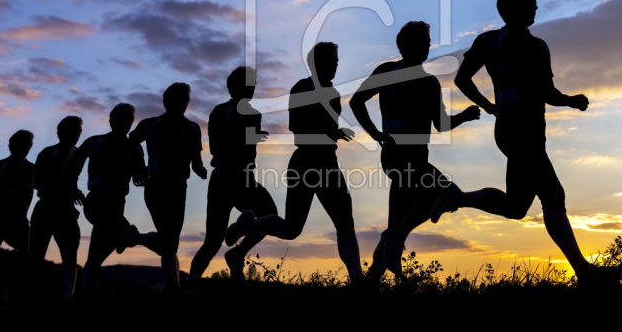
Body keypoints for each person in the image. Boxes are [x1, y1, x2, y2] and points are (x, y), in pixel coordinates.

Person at [438, 0, 615, 285]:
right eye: (527, 1)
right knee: (553, 195)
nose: (534, 6)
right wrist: (490, 106)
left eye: (534, 1)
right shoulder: (491, 41)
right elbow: (462, 79)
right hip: (514, 131)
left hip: (534, 131)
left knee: (516, 207)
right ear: (508, 8)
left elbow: (547, 92)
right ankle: (585, 273)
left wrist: (570, 100)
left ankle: (457, 197)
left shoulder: (538, 46)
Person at [350, 22, 480, 281]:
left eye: (427, 40)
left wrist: (463, 117)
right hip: (396, 155)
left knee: (395, 225)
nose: (426, 45)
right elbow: (356, 101)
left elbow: (440, 124)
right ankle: (394, 238)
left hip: (419, 158)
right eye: (420, 40)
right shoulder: (387, 71)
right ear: (404, 45)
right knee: (446, 192)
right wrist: (375, 134)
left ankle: (370, 283)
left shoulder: (429, 83)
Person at [226, 43, 363, 285]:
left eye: (336, 60)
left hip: (328, 163)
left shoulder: (333, 93)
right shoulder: (301, 88)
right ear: (314, 63)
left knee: (345, 221)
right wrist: (331, 130)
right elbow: (296, 128)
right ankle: (250, 224)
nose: (334, 64)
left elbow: (328, 127)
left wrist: (334, 131)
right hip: (305, 163)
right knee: (291, 230)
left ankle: (357, 280)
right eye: (329, 60)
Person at [189, 66, 277, 285]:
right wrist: (249, 139)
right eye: (250, 84)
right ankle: (237, 244)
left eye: (254, 84)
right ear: (238, 87)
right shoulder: (243, 113)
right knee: (214, 241)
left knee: (214, 241)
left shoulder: (220, 112)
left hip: (230, 177)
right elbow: (223, 147)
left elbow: (219, 146)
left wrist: (250, 138)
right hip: (233, 177)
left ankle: (236, 247)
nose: (253, 88)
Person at [121, 83, 207, 290]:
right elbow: (126, 148)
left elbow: (197, 161)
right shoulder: (150, 124)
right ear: (166, 101)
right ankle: (174, 289)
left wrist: (201, 170)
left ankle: (136, 237)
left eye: (185, 98)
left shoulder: (193, 128)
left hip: (179, 188)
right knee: (169, 241)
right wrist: (136, 171)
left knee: (170, 241)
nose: (181, 102)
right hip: (156, 186)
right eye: (177, 98)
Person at [64, 103, 147, 295]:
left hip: (118, 201)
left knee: (107, 236)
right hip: (96, 200)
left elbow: (143, 172)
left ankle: (91, 269)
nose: (125, 123)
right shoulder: (96, 142)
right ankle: (92, 269)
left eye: (129, 120)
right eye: (120, 119)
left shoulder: (136, 148)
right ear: (111, 121)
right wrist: (73, 190)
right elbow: (69, 165)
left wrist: (145, 174)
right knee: (119, 230)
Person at [29, 116, 83, 301]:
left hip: (64, 207)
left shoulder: (77, 153)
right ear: (60, 133)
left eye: (78, 130)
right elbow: (36, 183)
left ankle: (67, 297)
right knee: (36, 255)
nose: (76, 134)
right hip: (47, 207)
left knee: (70, 256)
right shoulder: (47, 152)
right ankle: (32, 296)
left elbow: (42, 182)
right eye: (71, 130)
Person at [0, 130, 34, 300]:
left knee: (29, 253)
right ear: (12, 145)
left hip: (19, 219)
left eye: (29, 144)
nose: (26, 147)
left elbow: (31, 194)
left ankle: (15, 289)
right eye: (22, 143)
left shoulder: (31, 168)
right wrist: (8, 192)